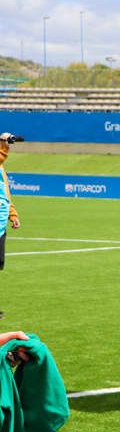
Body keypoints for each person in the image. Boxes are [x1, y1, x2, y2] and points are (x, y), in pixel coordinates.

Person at [0, 133, 22, 320]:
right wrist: (4, 143)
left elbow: (5, 195)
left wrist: (12, 215)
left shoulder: (2, 170)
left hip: (0, 226)